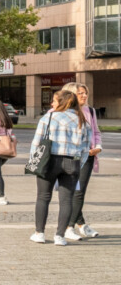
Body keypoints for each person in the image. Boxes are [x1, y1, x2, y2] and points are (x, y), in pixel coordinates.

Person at [30, 89, 86, 245]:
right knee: (66, 200)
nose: (51, 103)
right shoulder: (81, 119)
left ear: (61, 102)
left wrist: (34, 161)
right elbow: (85, 148)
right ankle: (60, 236)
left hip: (49, 161)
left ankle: (39, 233)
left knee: (43, 197)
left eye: (54, 100)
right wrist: (78, 162)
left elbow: (36, 142)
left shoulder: (49, 117)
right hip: (71, 162)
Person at [61, 81, 103, 239]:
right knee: (70, 192)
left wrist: (98, 146)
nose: (85, 96)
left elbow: (96, 132)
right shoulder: (63, 112)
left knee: (79, 192)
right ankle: (76, 225)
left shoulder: (90, 111)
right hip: (70, 156)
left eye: (86, 93)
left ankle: (71, 226)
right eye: (81, 93)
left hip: (88, 157)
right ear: (71, 94)